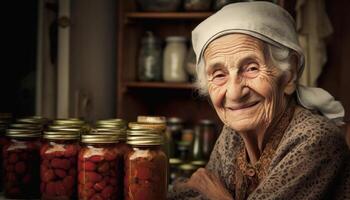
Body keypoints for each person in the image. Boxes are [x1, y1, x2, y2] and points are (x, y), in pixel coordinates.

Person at [168, 2, 350, 200]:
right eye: (219, 74)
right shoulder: (233, 136)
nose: (235, 93)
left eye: (251, 68)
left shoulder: (315, 138)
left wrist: (213, 192)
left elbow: (203, 189)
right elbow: (188, 194)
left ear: (288, 75)